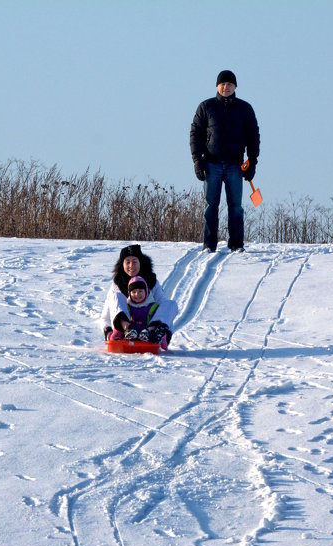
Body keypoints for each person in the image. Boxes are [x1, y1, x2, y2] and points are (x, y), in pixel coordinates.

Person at [189, 69, 260, 253]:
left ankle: (236, 244)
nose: (226, 87)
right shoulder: (206, 107)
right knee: (210, 205)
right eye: (222, 84)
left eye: (229, 84)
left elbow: (253, 135)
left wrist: (252, 161)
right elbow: (195, 134)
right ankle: (209, 244)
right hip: (211, 164)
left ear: (235, 86)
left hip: (235, 165)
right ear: (217, 86)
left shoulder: (245, 109)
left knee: (235, 206)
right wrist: (197, 160)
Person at [100, 244, 177, 347]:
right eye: (127, 262)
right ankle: (125, 330)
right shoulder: (117, 284)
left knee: (171, 304)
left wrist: (166, 334)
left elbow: (165, 310)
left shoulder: (151, 281)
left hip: (146, 329)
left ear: (141, 263)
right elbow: (105, 315)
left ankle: (154, 332)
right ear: (122, 265)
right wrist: (108, 332)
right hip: (125, 329)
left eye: (134, 262)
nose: (131, 266)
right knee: (115, 296)